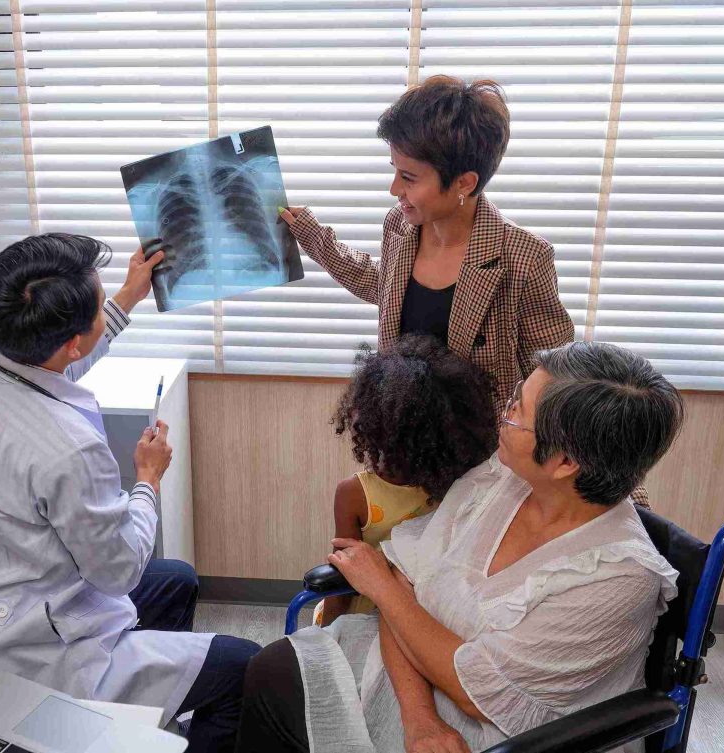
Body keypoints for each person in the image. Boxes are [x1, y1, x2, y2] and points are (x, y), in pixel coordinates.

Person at [236, 342, 684, 753]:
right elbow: (405, 581)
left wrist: (384, 590)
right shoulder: (502, 479)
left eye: (516, 413)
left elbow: (476, 694)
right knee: (267, 670)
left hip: (500, 734)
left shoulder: (618, 580)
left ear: (565, 462)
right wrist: (420, 719)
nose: (501, 417)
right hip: (416, 686)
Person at [0, 233, 260, 753]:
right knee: (245, 668)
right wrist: (147, 480)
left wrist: (128, 296)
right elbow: (119, 571)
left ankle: (138, 729)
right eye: (98, 296)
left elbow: (59, 361)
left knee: (176, 580)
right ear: (70, 342)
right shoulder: (68, 450)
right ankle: (110, 717)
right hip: (38, 650)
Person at [279, 75, 574, 417]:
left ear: (464, 182)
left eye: (408, 178)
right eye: (395, 171)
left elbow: (553, 379)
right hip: (402, 438)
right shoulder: (400, 226)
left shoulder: (523, 257)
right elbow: (381, 284)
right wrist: (311, 234)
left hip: (485, 457)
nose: (394, 189)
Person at [318, 335, 498, 626]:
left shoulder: (354, 494)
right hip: (425, 616)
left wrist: (323, 638)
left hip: (365, 619)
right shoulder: (455, 485)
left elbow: (342, 580)